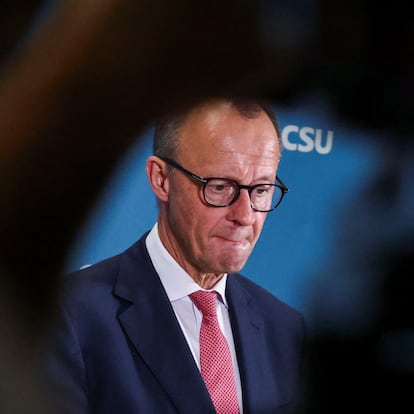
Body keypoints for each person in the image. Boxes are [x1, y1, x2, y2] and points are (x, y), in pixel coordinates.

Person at [45, 96, 306, 414]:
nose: (245, 215)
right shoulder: (68, 314)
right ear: (161, 179)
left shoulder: (285, 328)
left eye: (262, 189)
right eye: (221, 187)